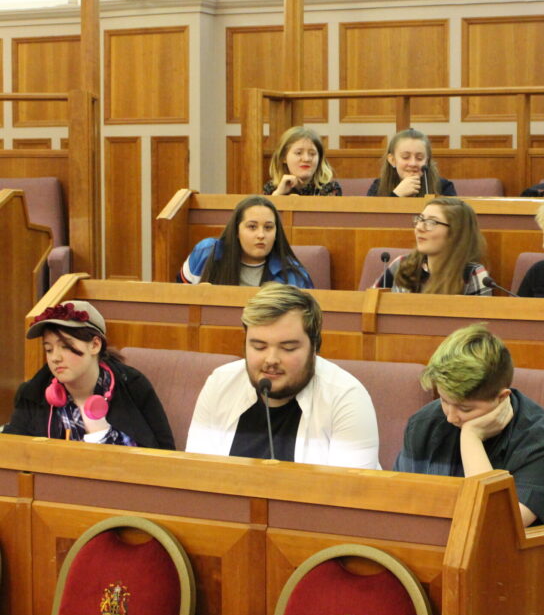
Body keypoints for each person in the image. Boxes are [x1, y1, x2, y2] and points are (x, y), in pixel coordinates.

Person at [394, 324, 544, 615]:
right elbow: (405, 503)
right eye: (444, 399)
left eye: (465, 408)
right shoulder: (425, 423)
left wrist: (470, 439)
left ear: (502, 396)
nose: (450, 416)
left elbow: (495, 532)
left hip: (527, 571)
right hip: (441, 563)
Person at [185, 283, 380, 467]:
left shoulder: (346, 397)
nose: (271, 359)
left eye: (288, 348)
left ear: (315, 346)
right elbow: (198, 478)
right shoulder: (220, 384)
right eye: (258, 346)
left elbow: (349, 495)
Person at [5, 301, 175, 448]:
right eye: (49, 349)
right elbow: (11, 454)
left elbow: (165, 455)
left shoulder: (132, 385)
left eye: (65, 346)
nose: (55, 358)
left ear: (94, 345)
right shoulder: (33, 393)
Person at [179, 195, 312, 287]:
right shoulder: (206, 252)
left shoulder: (292, 274)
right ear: (236, 230)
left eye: (268, 227)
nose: (261, 235)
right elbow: (180, 303)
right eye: (252, 227)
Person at [372, 197, 491, 295]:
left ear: (456, 232)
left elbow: (479, 324)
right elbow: (368, 305)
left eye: (431, 222)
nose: (419, 227)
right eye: (420, 219)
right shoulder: (401, 264)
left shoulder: (472, 274)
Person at [367, 128, 457, 197]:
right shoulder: (378, 187)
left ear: (427, 160)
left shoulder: (444, 187)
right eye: (405, 157)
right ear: (392, 160)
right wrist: (396, 195)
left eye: (419, 158)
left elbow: (454, 218)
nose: (413, 163)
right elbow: (370, 219)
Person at [262, 126, 342, 196]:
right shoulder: (272, 188)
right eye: (298, 153)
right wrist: (278, 193)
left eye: (312, 154)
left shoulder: (330, 188)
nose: (306, 159)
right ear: (283, 157)